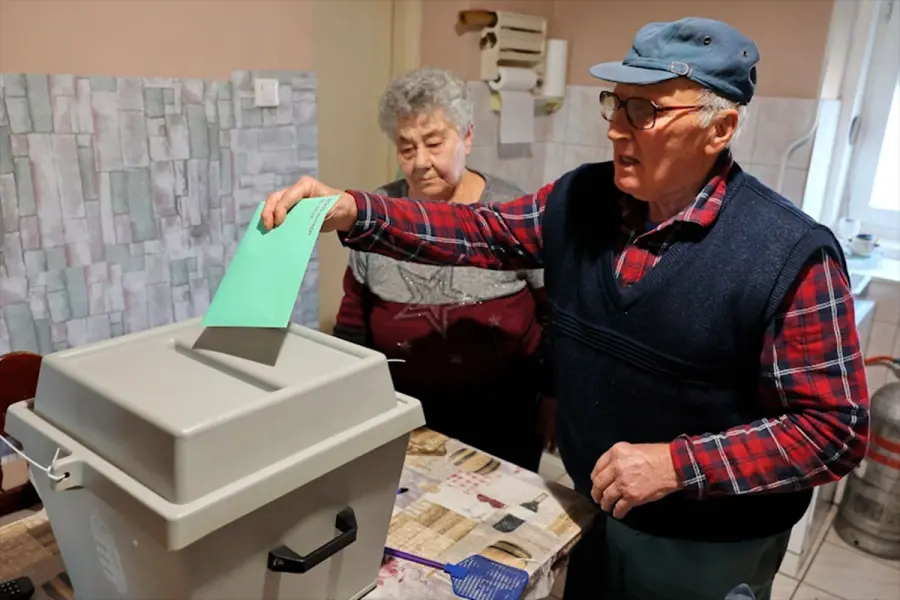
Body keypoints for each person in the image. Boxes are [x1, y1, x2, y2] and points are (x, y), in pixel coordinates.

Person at [262, 18, 870, 600]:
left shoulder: (788, 253)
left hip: (705, 547)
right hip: (589, 504)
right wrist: (355, 209)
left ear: (720, 129)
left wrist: (678, 465)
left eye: (647, 110)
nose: (616, 128)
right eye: (616, 103)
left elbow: (833, 431)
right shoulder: (582, 197)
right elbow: (485, 231)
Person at [332, 67, 552, 472]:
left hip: (504, 422)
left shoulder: (511, 211)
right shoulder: (376, 217)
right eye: (406, 147)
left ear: (467, 136)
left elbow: (554, 314)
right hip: (405, 422)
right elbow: (352, 322)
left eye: (434, 143)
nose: (420, 163)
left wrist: (554, 397)